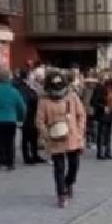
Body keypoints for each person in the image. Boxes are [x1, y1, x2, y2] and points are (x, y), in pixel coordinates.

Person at [37, 71, 86, 208]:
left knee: (74, 165)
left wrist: (80, 132)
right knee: (59, 167)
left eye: (59, 85)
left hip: (72, 136)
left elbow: (81, 115)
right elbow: (40, 121)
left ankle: (69, 181)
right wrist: (47, 134)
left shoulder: (72, 97)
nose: (57, 90)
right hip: (55, 138)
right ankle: (61, 193)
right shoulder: (44, 100)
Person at [0, 69, 26, 171]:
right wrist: (20, 118)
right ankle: (10, 163)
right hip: (11, 120)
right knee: (10, 142)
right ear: (9, 79)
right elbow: (21, 107)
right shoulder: (14, 91)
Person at [14, 69, 43, 165]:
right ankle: (30, 156)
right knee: (29, 136)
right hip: (29, 113)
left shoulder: (20, 87)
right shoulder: (24, 88)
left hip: (28, 113)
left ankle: (32, 155)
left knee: (30, 135)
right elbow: (32, 99)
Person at [91, 70, 112, 160]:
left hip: (110, 113)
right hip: (102, 114)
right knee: (101, 134)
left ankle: (107, 152)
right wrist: (103, 107)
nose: (109, 77)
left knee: (108, 134)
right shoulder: (98, 88)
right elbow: (93, 102)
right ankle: (100, 153)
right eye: (107, 76)